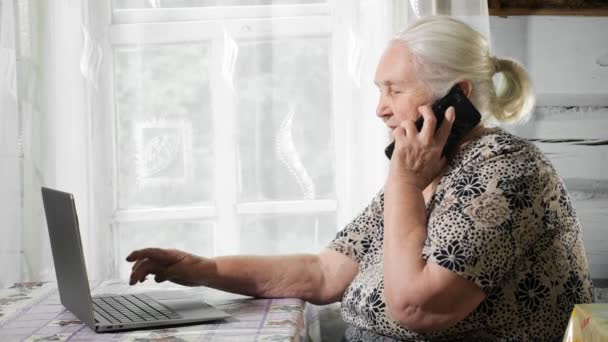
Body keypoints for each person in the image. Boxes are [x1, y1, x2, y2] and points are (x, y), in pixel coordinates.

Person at [126, 16, 593, 341]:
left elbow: (417, 310)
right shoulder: (429, 169)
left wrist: (404, 184)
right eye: (379, 91)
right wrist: (201, 269)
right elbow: (324, 273)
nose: (381, 108)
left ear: (457, 97)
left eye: (395, 89)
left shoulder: (506, 170)